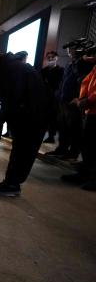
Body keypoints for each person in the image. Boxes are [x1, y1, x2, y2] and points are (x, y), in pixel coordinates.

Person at [0, 45, 50, 196]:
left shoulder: (14, 69)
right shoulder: (8, 68)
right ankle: (11, 182)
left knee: (23, 151)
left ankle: (12, 185)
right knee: (20, 150)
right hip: (28, 115)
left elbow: (15, 97)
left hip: (33, 117)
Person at [61, 60, 96, 191]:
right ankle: (85, 174)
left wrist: (89, 99)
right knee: (87, 145)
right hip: (91, 109)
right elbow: (86, 82)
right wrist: (83, 99)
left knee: (92, 146)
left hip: (93, 106)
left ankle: (92, 178)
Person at [47, 42, 83, 160]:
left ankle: (73, 152)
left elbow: (82, 82)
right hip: (63, 100)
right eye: (68, 49)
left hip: (73, 101)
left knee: (73, 128)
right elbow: (64, 81)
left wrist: (79, 97)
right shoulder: (69, 64)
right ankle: (62, 149)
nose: (69, 51)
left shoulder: (81, 64)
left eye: (71, 49)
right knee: (62, 127)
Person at [0, 52, 29, 150]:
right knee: (0, 121)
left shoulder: (25, 70)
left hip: (18, 103)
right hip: (7, 101)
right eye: (24, 58)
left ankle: (15, 144)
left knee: (15, 124)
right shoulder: (10, 70)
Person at [40, 51, 64, 143]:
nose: (50, 59)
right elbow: (41, 83)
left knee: (52, 117)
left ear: (56, 58)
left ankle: (51, 136)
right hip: (44, 97)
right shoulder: (43, 70)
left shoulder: (61, 70)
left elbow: (59, 84)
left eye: (52, 57)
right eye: (48, 57)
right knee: (43, 117)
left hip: (55, 97)